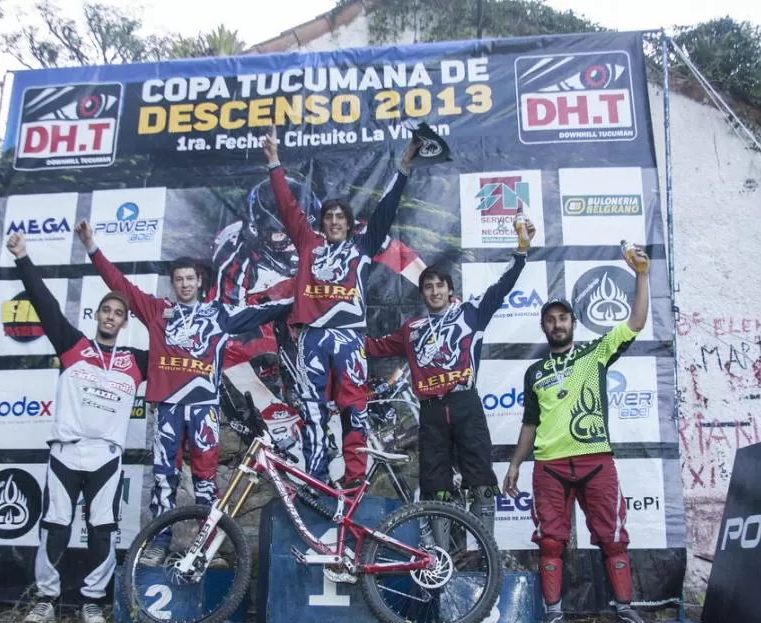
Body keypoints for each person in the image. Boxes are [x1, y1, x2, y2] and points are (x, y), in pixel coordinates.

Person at [75, 221, 291, 567]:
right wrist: (91, 247)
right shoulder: (157, 311)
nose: (185, 284)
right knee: (164, 478)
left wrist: (309, 294)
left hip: (204, 408)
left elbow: (268, 309)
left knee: (206, 481)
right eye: (179, 279)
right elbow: (119, 285)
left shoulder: (218, 313)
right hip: (168, 407)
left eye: (190, 278)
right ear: (172, 283)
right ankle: (159, 542)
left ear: (199, 281)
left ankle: (206, 547)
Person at [502, 244, 652, 623]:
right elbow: (530, 423)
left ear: (573, 321)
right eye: (550, 319)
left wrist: (641, 275)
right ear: (544, 327)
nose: (557, 324)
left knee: (613, 538)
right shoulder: (534, 372)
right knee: (550, 541)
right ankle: (553, 615)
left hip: (595, 459)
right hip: (549, 464)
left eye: (563, 317)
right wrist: (516, 463)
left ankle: (627, 613)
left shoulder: (596, 352)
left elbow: (636, 322)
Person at [263, 126, 421, 488]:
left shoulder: (362, 248)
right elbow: (287, 207)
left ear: (350, 225)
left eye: (341, 218)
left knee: (353, 406)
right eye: (329, 218)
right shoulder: (308, 243)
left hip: (349, 338)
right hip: (313, 337)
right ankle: (316, 476)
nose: (334, 222)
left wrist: (404, 167)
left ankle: (353, 478)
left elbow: (386, 208)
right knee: (311, 407)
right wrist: (274, 161)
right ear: (322, 223)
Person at [5, 233, 147, 623]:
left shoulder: (137, 361)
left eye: (118, 312)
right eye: (106, 310)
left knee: (103, 530)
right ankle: (46, 600)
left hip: (106, 455)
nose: (110, 317)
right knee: (55, 526)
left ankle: (92, 602)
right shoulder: (72, 345)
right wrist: (23, 258)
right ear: (97, 315)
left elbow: (179, 357)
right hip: (66, 451)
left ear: (124, 321)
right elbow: (44, 303)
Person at [366, 216, 537, 535]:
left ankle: (489, 550)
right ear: (422, 294)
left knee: (481, 480)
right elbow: (373, 348)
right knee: (435, 485)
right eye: (427, 287)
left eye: (439, 286)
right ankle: (440, 563)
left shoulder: (471, 313)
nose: (433, 291)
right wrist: (332, 326)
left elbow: (503, 286)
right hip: (431, 412)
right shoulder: (412, 330)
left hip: (465, 404)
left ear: (449, 289)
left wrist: (521, 251)